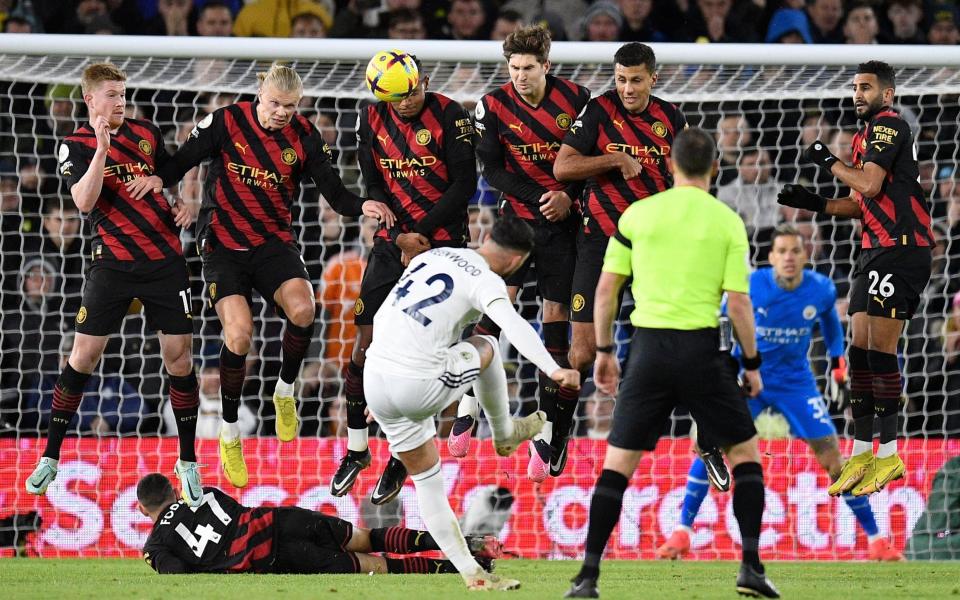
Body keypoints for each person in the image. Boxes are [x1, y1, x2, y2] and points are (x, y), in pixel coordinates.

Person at [127, 64, 395, 490]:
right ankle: (230, 431)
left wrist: (362, 205)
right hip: (222, 245)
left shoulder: (305, 136)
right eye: (274, 104)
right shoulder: (226, 122)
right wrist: (162, 178)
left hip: (272, 244)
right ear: (259, 93)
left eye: (290, 106)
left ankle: (284, 390)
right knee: (239, 336)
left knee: (304, 309)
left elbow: (335, 193)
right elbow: (182, 160)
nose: (281, 113)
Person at [565, 127, 777, 599]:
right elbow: (738, 302)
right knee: (745, 458)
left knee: (617, 465)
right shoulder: (727, 220)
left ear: (672, 166)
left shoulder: (639, 213)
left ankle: (588, 577)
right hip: (703, 351)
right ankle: (750, 567)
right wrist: (753, 362)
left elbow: (605, 290)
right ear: (714, 169)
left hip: (648, 351)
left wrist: (604, 352)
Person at [658, 225, 903, 562]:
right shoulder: (751, 286)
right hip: (750, 378)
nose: (789, 257)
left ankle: (877, 541)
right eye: (782, 251)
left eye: (795, 251)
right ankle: (681, 534)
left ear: (805, 255)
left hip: (795, 383)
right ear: (771, 257)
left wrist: (837, 362)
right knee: (711, 444)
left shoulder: (821, 290)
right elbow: (723, 324)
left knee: (832, 456)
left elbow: (831, 323)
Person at [363, 216, 580, 590]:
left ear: (487, 237)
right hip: (417, 383)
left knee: (428, 482)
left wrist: (380, 383)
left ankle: (472, 574)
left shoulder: (435, 255)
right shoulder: (487, 280)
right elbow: (513, 325)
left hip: (376, 377)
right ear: (517, 261)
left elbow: (388, 313)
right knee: (488, 346)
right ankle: (505, 431)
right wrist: (553, 369)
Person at [25, 62, 204, 506]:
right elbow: (84, 203)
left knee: (179, 359)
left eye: (123, 93)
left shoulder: (146, 132)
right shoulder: (76, 145)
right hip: (113, 264)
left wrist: (180, 202)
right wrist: (103, 151)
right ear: (90, 99)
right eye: (111, 94)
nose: (120, 101)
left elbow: (167, 177)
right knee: (83, 356)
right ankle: (50, 455)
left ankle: (187, 461)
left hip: (164, 260)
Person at [777, 60, 934, 497]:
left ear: (886, 94)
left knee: (881, 350)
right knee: (859, 351)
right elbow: (856, 202)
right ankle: (863, 451)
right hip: (873, 250)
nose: (858, 94)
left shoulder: (889, 125)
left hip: (902, 248)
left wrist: (827, 159)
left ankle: (890, 455)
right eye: (854, 87)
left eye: (866, 87)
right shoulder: (864, 136)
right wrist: (813, 201)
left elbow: (867, 185)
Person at [331, 54, 476, 505]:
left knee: (426, 356)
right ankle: (356, 449)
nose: (407, 102)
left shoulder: (452, 115)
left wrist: (421, 234)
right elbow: (373, 180)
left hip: (443, 245)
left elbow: (464, 185)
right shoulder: (368, 117)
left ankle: (401, 455)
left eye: (412, 92)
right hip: (392, 244)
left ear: (424, 81)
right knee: (364, 344)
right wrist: (393, 228)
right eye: (397, 97)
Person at [447, 25, 591, 483]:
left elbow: (591, 158)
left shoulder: (578, 99)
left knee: (554, 322)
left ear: (547, 66)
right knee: (492, 307)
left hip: (564, 224)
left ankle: (547, 432)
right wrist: (545, 194)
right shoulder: (491, 106)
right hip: (519, 220)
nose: (522, 76)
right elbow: (492, 170)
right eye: (515, 68)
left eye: (529, 68)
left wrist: (566, 194)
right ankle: (468, 405)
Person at [553, 41, 686, 433]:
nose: (627, 88)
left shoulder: (672, 118)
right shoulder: (598, 110)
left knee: (666, 345)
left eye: (636, 81)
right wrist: (614, 158)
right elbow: (563, 166)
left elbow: (687, 179)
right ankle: (557, 434)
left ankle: (682, 436)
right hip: (600, 241)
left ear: (653, 79)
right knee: (583, 349)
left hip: (653, 246)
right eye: (621, 79)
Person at [136, 473, 502, 575]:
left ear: (141, 509)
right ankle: (470, 545)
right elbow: (231, 512)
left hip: (274, 558)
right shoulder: (207, 493)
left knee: (373, 566)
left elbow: (177, 573)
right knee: (366, 537)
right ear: (173, 487)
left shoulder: (155, 545)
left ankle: (456, 568)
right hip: (283, 519)